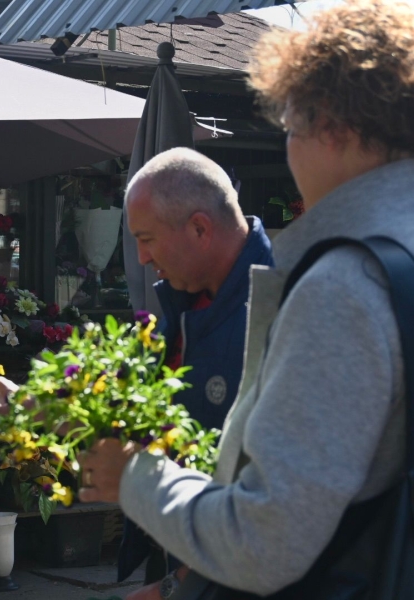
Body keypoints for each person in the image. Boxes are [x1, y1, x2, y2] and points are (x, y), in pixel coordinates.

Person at [78, 1, 414, 597]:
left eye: (290, 126)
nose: (288, 149)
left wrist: (134, 478)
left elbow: (263, 541)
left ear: (334, 127)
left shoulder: (346, 285)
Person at [116, 147, 274, 590]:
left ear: (200, 228)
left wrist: (178, 587)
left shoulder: (275, 315)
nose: (142, 258)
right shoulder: (185, 301)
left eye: (147, 239)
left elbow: (267, 500)